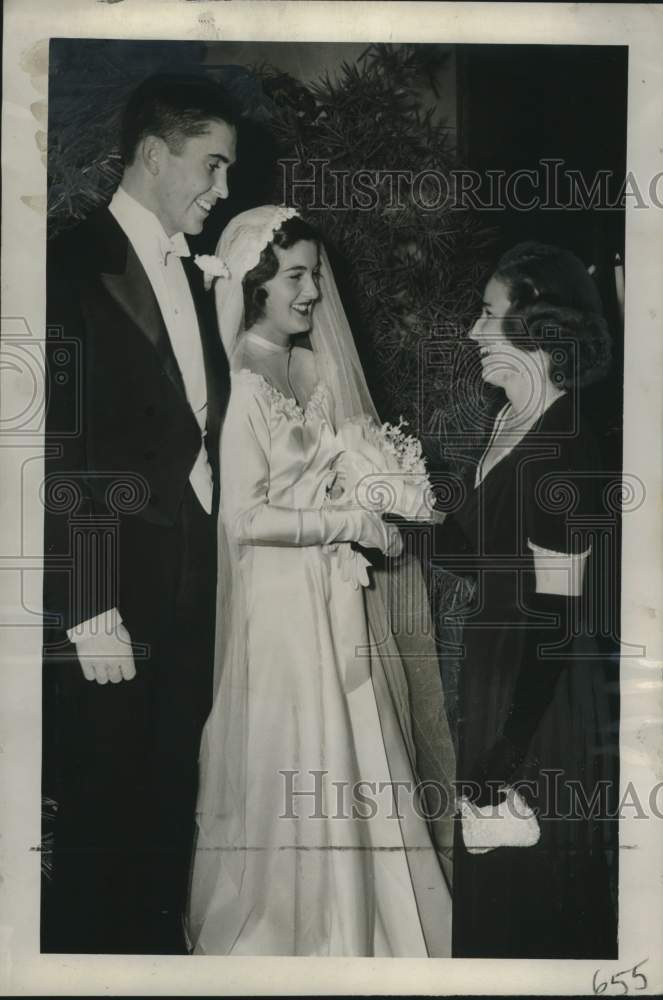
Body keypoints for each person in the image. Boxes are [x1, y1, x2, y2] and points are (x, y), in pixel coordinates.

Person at [186, 206, 455, 957]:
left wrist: (379, 497)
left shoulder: (308, 367)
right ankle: (301, 929)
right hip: (277, 605)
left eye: (315, 274)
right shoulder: (241, 381)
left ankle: (373, 921)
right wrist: (343, 523)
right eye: (297, 276)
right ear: (257, 284)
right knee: (300, 748)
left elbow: (334, 471)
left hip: (334, 590)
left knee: (359, 739)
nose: (313, 292)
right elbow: (243, 518)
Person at [42, 73, 237, 954]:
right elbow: (50, 447)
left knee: (169, 804)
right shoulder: (63, 263)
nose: (222, 190)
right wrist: (86, 605)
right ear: (155, 156)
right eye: (212, 166)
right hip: (110, 592)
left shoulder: (203, 278)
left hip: (192, 584)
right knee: (100, 818)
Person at [437, 242, 618, 958]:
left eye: (488, 314)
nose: (474, 331)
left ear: (538, 330)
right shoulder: (506, 421)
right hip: (494, 675)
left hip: (536, 699)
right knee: (492, 885)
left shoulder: (565, 448)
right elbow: (477, 557)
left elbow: (557, 615)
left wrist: (508, 752)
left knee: (528, 896)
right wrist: (381, 521)